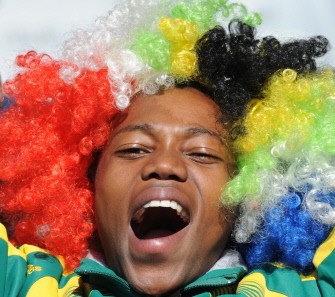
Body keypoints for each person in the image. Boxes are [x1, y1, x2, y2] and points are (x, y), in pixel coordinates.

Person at [0, 0, 334, 296]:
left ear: (249, 198)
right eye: (134, 149)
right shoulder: (25, 285)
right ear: (86, 185)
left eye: (202, 152)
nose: (165, 165)